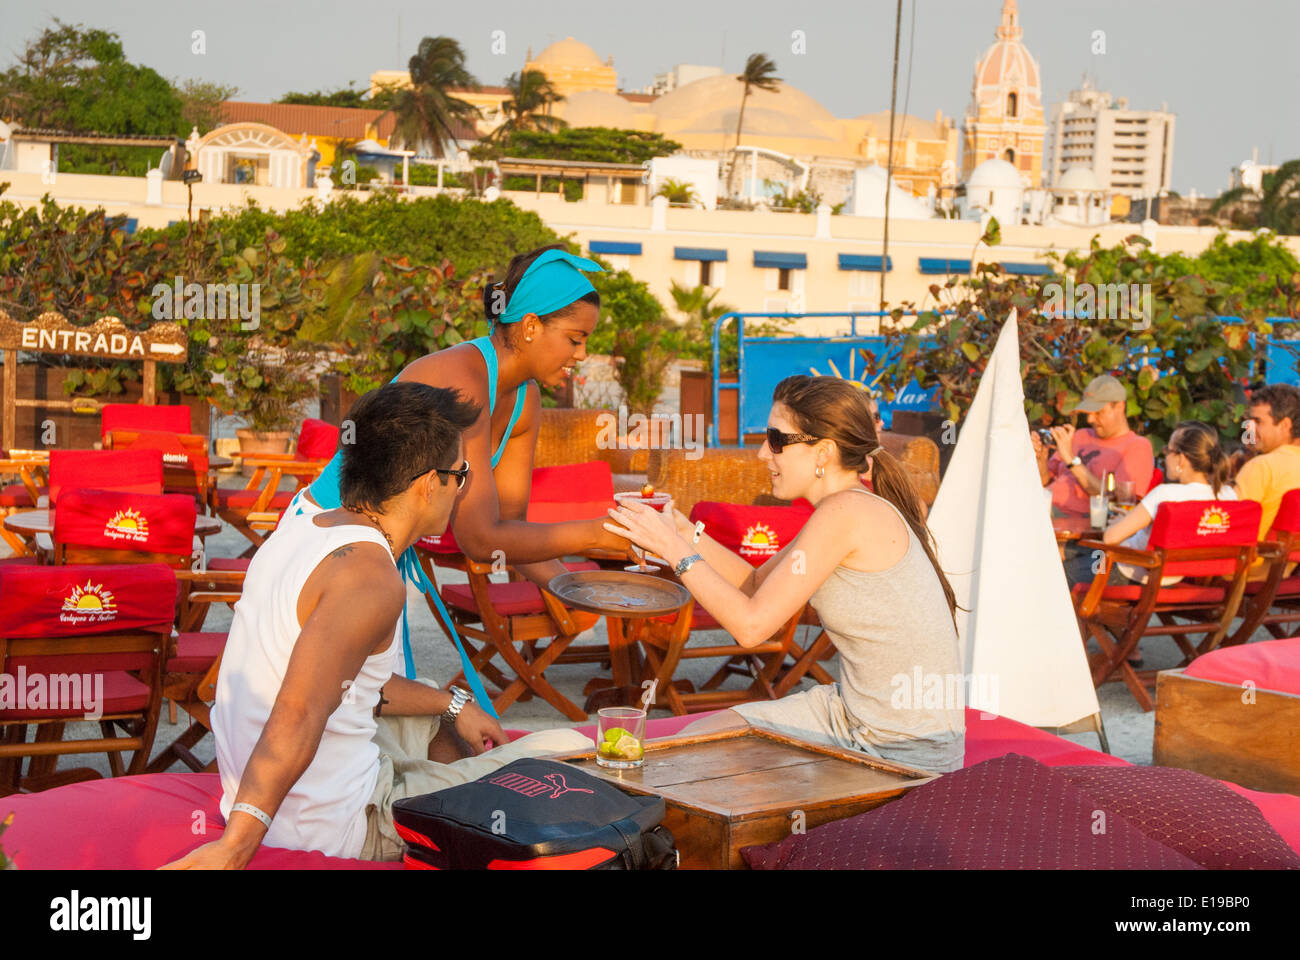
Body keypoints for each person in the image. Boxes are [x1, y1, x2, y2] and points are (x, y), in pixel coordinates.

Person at [163, 383, 590, 868]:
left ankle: (451, 813)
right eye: (461, 474)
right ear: (429, 484)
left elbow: (343, 678)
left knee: (435, 702)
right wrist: (234, 848)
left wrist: (453, 704)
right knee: (574, 753)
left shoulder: (305, 525)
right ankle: (442, 829)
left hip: (281, 786)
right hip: (338, 824)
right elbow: (299, 713)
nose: (463, 486)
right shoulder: (370, 579)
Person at [293, 243, 632, 699]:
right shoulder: (462, 378)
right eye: (575, 338)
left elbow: (508, 529)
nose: (583, 353)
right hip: (325, 539)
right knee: (326, 707)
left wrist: (579, 587)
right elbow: (479, 537)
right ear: (531, 326)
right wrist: (599, 533)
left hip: (376, 555)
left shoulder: (524, 399)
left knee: (356, 716)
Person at [605, 375, 964, 774]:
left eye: (776, 439)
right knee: (690, 743)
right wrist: (683, 531)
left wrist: (672, 550)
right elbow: (755, 583)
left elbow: (752, 627)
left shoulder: (847, 513)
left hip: (899, 750)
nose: (762, 453)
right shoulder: (847, 506)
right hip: (852, 717)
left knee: (690, 765)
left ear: (823, 452)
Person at [1032, 373, 1154, 585]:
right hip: (1048, 522)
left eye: (1098, 412)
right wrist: (1040, 458)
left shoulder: (1137, 446)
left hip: (1087, 538)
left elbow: (1118, 502)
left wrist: (1072, 460)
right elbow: (1045, 482)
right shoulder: (1079, 436)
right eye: (1089, 413)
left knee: (1045, 575)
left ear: (1120, 407)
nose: (1090, 419)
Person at [1102, 421, 1236, 586]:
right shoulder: (1228, 496)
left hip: (1130, 574)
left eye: (1168, 450)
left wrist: (1120, 524)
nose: (1165, 456)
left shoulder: (1165, 494)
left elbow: (1110, 538)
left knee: (1068, 571)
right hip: (1175, 578)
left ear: (1181, 459)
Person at [1233, 383, 1300, 541]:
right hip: (1291, 563)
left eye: (1258, 421)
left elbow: (1231, 527)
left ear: (1284, 425)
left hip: (1255, 562)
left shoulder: (1262, 467)